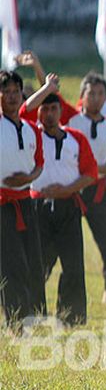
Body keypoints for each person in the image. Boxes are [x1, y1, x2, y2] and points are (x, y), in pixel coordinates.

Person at [31, 92, 98, 326]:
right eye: (44, 109)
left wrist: (67, 189)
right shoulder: (31, 135)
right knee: (37, 264)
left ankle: (71, 317)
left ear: (61, 112)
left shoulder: (75, 138)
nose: (49, 114)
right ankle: (33, 313)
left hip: (68, 206)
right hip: (37, 207)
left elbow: (90, 173)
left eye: (53, 109)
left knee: (73, 264)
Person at [65, 72, 106, 304]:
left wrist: (92, 170)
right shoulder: (70, 118)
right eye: (91, 93)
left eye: (101, 93)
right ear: (82, 95)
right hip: (69, 189)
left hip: (98, 189)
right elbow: (50, 94)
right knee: (56, 244)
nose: (96, 98)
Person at [0, 70, 47, 332]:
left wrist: (27, 177)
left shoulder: (31, 130)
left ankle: (33, 315)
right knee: (12, 264)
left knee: (32, 261)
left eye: (15, 92)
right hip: (2, 203)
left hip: (26, 202)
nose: (11, 97)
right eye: (5, 92)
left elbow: (39, 164)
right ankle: (16, 322)